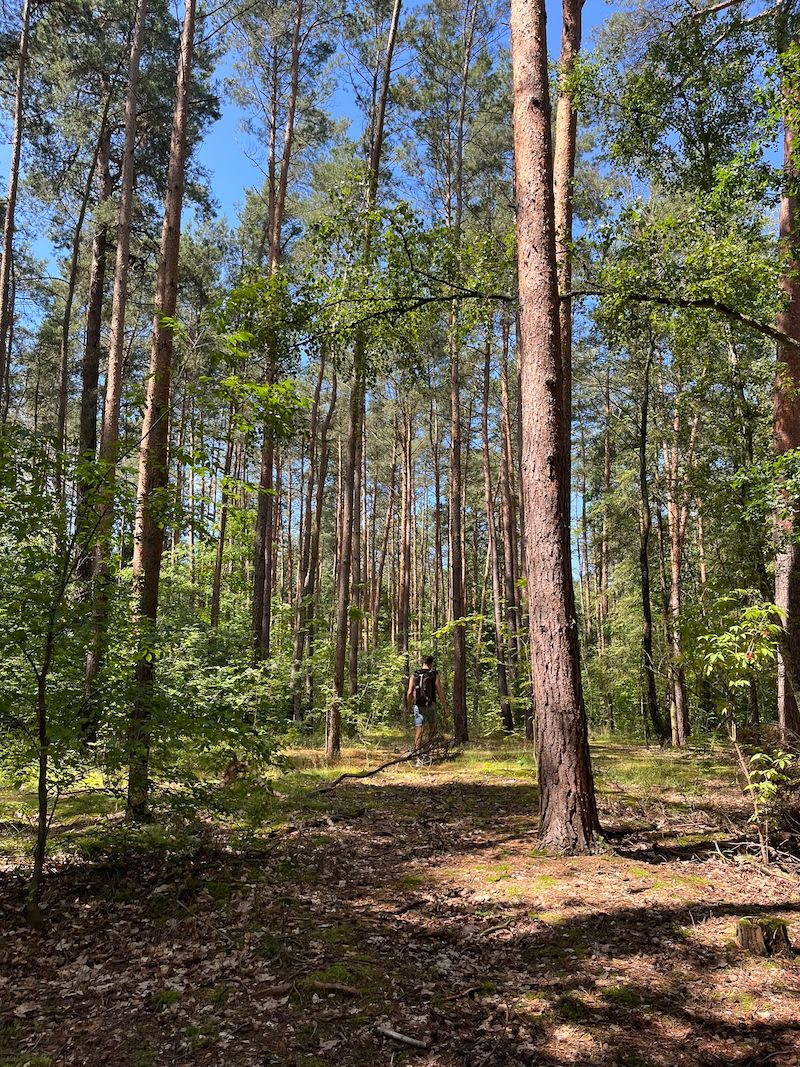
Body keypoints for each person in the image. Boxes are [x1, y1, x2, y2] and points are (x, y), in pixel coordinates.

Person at [406, 655, 450, 752]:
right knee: (432, 728)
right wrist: (445, 707)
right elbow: (439, 692)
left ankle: (417, 753)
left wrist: (409, 707)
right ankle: (428, 750)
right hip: (431, 704)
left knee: (419, 730)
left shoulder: (414, 675)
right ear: (431, 663)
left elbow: (409, 692)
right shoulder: (434, 674)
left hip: (418, 705)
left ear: (423, 662)